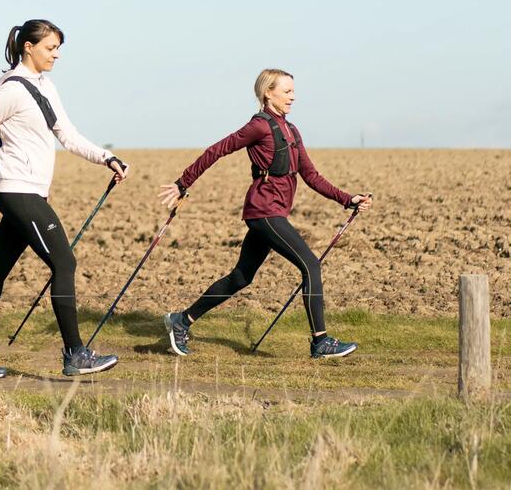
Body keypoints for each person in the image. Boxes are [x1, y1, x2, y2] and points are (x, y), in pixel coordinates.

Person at [0, 19, 130, 378]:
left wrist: (106, 158)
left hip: (28, 191)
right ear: (28, 47)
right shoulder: (11, 90)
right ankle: (75, 354)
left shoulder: (45, 86)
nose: (56, 55)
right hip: (18, 191)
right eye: (50, 48)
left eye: (58, 49)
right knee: (65, 263)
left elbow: (67, 133)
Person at [158, 68, 373, 359]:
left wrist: (348, 199)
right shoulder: (259, 126)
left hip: (274, 213)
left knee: (241, 277)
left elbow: (311, 175)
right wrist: (182, 183)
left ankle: (181, 321)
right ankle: (320, 342)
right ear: (268, 92)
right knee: (310, 265)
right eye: (287, 91)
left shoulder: (292, 130)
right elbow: (216, 150)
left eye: (293, 91)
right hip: (264, 212)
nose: (293, 97)